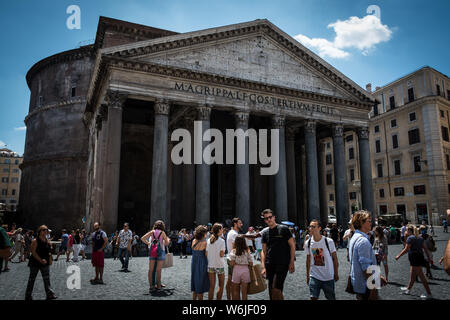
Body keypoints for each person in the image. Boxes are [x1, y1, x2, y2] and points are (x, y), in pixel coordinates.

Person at [348, 210, 386, 300]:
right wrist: (373, 290)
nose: (371, 223)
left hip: (359, 283)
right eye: (368, 221)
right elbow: (366, 268)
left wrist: (378, 276)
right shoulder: (363, 241)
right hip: (366, 285)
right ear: (361, 222)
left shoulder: (355, 237)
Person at [260, 209, 296, 300]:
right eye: (266, 218)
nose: (269, 219)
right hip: (270, 264)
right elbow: (263, 251)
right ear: (265, 220)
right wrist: (263, 266)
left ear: (274, 217)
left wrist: (291, 261)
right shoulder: (265, 233)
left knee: (276, 289)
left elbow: (292, 245)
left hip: (282, 263)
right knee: (272, 291)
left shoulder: (283, 229)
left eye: (270, 217)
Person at [395, 224, 433, 299]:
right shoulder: (420, 238)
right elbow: (425, 249)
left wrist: (398, 256)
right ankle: (408, 289)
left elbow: (406, 249)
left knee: (421, 276)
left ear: (410, 231)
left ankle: (429, 293)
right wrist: (429, 258)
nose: (405, 231)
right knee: (412, 275)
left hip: (414, 257)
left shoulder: (410, 238)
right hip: (420, 257)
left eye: (406, 230)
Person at [305, 219, 338, 300]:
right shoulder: (308, 243)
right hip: (314, 275)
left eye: (313, 227)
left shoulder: (328, 241)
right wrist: (307, 276)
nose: (311, 228)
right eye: (310, 227)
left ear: (319, 228)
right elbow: (308, 260)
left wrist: (336, 273)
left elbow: (335, 259)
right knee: (313, 297)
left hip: (328, 276)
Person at [25, 225, 57, 300]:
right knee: (32, 280)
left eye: (46, 230)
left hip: (45, 263)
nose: (46, 231)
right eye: (44, 230)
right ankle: (28, 295)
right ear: (40, 231)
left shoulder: (47, 240)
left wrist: (50, 248)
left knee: (47, 279)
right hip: (35, 263)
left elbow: (48, 250)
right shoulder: (35, 241)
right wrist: (40, 260)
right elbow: (33, 252)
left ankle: (49, 294)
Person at [141, 220, 170, 292]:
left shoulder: (152, 232)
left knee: (150, 270)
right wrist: (168, 240)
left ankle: (151, 286)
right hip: (160, 251)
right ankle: (159, 286)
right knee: (158, 270)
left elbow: (142, 238)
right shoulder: (162, 233)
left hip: (153, 250)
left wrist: (148, 243)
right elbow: (166, 243)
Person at [229, 235, 253, 300]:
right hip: (245, 270)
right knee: (244, 292)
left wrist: (237, 262)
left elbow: (231, 263)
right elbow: (251, 263)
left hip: (236, 270)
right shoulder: (247, 251)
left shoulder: (234, 251)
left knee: (235, 291)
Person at [206, 223, 225, 300]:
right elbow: (221, 255)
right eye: (222, 228)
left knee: (211, 286)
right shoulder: (222, 241)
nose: (223, 230)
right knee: (221, 285)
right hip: (219, 265)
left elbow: (206, 253)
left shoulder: (208, 240)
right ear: (219, 230)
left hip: (210, 265)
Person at [190, 225, 210, 300]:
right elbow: (206, 254)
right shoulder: (205, 242)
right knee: (201, 282)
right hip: (202, 263)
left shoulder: (193, 241)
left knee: (195, 281)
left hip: (194, 263)